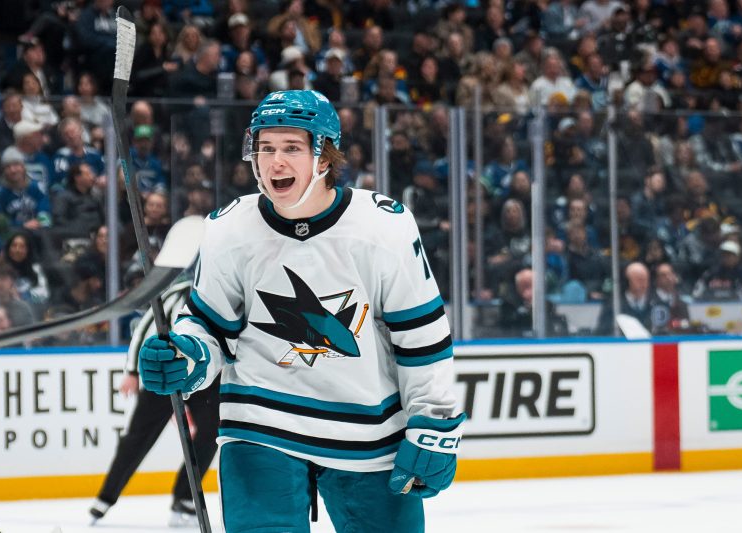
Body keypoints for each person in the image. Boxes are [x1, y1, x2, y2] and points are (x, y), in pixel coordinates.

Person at [137, 90, 464, 532]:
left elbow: (421, 334)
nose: (275, 162)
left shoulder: (383, 227)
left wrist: (433, 422)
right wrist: (188, 356)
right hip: (261, 426)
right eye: (265, 148)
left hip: (367, 432)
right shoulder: (229, 229)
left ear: (324, 157)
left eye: (291, 148)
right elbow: (208, 326)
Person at [89, 277, 221, 528]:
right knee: (138, 437)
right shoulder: (179, 293)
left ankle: (184, 497)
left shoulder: (225, 293)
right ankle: (105, 497)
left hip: (205, 376)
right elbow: (144, 328)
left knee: (211, 432)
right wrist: (132, 370)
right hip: (167, 374)